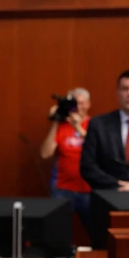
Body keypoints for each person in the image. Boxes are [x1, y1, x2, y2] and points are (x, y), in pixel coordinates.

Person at [41, 88, 91, 237]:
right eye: (75, 104)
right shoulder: (62, 126)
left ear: (88, 104)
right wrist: (56, 121)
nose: (79, 107)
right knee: (56, 232)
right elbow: (45, 153)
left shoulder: (95, 124)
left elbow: (98, 149)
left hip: (89, 189)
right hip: (62, 189)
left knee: (97, 232)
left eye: (82, 103)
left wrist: (78, 127)